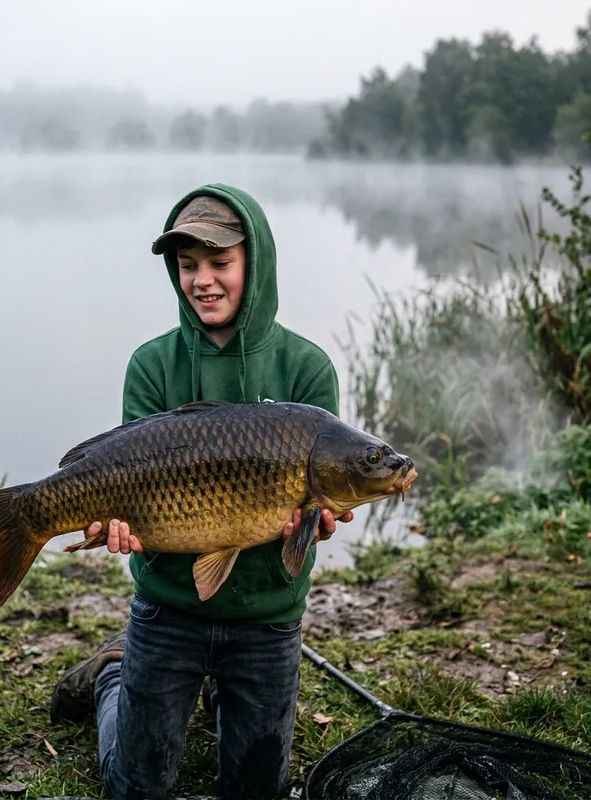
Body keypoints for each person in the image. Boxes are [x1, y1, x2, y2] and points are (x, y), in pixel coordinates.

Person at [50, 184, 352, 800]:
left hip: (267, 616)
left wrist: (314, 520)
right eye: (189, 267)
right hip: (168, 608)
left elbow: (318, 507)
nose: (203, 281)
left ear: (255, 264)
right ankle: (115, 675)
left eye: (221, 264)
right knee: (133, 789)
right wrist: (115, 525)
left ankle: (212, 690)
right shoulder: (152, 366)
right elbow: (123, 473)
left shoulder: (307, 369)